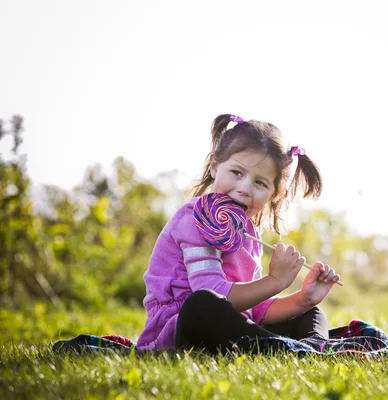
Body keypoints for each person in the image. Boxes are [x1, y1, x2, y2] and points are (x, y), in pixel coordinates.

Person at [137, 114, 340, 353]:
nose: (244, 188)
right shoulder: (194, 220)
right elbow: (215, 291)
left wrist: (304, 298)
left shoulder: (249, 234)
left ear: (274, 193)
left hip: (233, 329)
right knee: (202, 303)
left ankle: (308, 348)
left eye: (260, 183)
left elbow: (254, 309)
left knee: (310, 313)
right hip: (179, 330)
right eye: (236, 172)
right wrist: (275, 281)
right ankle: (287, 349)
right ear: (214, 166)